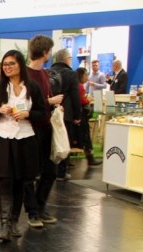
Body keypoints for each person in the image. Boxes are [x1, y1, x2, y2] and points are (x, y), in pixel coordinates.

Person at [0, 50, 47, 242]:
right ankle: (4, 225)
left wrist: (28, 114)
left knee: (21, 181)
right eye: (5, 64)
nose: (8, 67)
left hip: (25, 139)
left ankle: (14, 221)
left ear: (20, 64)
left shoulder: (33, 87)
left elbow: (42, 112)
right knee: (5, 181)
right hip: (3, 138)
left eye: (11, 63)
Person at [26, 35, 63, 228]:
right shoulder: (26, 75)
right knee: (30, 173)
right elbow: (25, 104)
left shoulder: (44, 74)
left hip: (46, 128)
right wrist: (50, 101)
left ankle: (40, 206)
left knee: (50, 171)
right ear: (46, 52)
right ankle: (33, 211)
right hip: (30, 130)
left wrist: (55, 106)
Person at [49, 49, 82, 180]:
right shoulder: (71, 74)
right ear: (67, 59)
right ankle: (61, 172)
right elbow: (75, 96)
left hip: (49, 111)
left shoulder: (47, 72)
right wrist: (77, 116)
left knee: (49, 141)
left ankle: (48, 170)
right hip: (65, 113)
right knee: (63, 141)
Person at [76, 67, 102, 167]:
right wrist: (88, 100)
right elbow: (81, 100)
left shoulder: (77, 86)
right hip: (82, 116)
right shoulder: (80, 86)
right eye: (86, 74)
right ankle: (90, 158)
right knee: (86, 136)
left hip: (78, 116)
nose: (87, 77)